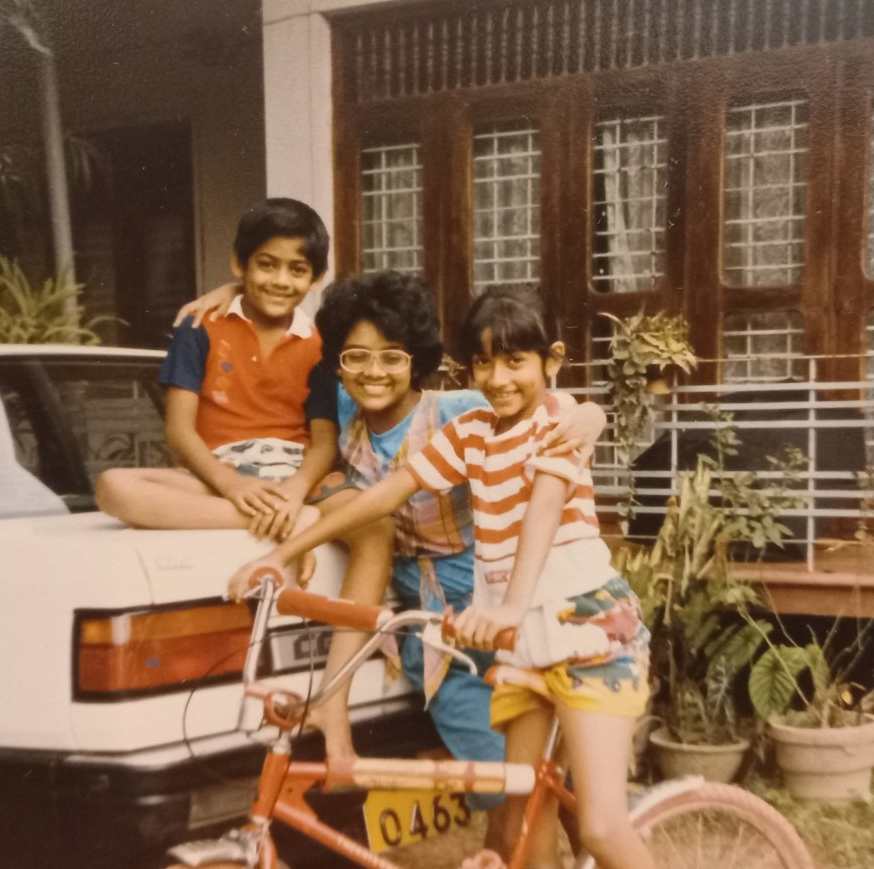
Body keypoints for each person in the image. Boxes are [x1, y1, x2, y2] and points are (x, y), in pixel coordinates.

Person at [229, 283, 654, 869]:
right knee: (522, 818)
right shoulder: (471, 434)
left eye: (515, 361)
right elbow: (384, 496)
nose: (499, 378)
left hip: (586, 634)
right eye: (484, 362)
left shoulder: (554, 422)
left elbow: (542, 512)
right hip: (521, 643)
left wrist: (508, 604)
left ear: (551, 362)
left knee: (603, 830)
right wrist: (283, 552)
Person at [96, 198, 379, 567]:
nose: (280, 280)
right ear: (238, 264)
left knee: (372, 517)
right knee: (113, 487)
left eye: (297, 269)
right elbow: (180, 432)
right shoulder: (199, 328)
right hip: (218, 478)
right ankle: (289, 523)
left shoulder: (319, 343)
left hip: (296, 477)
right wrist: (232, 485)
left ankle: (291, 513)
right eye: (266, 264)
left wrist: (294, 493)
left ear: (316, 278)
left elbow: (324, 443)